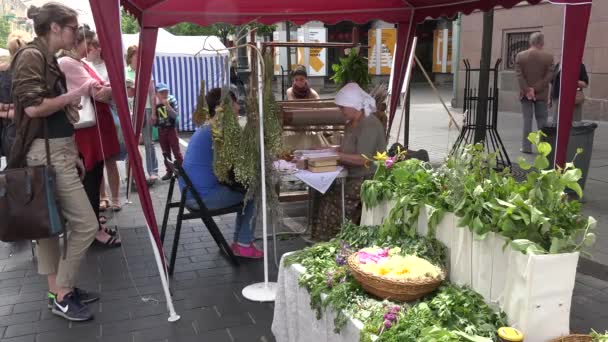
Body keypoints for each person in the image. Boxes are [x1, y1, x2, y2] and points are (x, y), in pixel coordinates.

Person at [9, 3, 100, 322]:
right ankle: (63, 292)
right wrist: (75, 94)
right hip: (45, 152)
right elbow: (35, 109)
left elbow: (51, 116)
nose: (78, 34)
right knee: (87, 225)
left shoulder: (44, 56)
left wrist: (72, 151)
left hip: (53, 149)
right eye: (74, 28)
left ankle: (57, 291)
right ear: (56, 28)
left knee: (49, 227)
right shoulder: (33, 56)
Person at [58, 24, 122, 248]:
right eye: (91, 43)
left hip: (94, 128)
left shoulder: (77, 63)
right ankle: (94, 230)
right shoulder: (68, 63)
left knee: (94, 176)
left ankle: (94, 224)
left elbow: (99, 90)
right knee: (91, 178)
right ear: (78, 41)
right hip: (88, 130)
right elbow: (98, 93)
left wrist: (108, 87)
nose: (93, 47)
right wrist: (116, 85)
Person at [180, 88, 262, 258]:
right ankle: (243, 244)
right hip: (202, 198)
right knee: (254, 193)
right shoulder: (218, 130)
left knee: (246, 189)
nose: (238, 108)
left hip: (190, 194)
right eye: (235, 104)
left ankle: (240, 242)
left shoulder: (209, 126)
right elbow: (237, 164)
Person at [310, 82, 387, 241]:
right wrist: (327, 149)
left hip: (368, 179)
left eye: (342, 107)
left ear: (354, 106)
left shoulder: (369, 125)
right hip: (352, 176)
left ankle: (334, 241)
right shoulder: (352, 124)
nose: (341, 111)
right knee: (320, 192)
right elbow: (347, 148)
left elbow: (363, 159)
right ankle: (325, 239)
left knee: (331, 200)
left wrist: (337, 156)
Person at [84, 35, 123, 212]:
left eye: (92, 46)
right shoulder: (84, 65)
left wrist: (104, 91)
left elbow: (113, 93)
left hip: (107, 115)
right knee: (96, 160)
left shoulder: (109, 66)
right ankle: (103, 197)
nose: (89, 49)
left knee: (109, 159)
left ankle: (115, 197)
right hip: (90, 117)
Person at [515, 32, 554, 154]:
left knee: (527, 119)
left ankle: (526, 147)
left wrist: (528, 90)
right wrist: (535, 89)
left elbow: (519, 76)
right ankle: (543, 148)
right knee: (542, 120)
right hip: (541, 94)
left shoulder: (520, 56)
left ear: (530, 42)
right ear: (541, 43)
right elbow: (549, 77)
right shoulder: (549, 57)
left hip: (525, 94)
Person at [125, 45, 159, 184]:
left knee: (148, 142)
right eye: (136, 54)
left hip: (146, 109)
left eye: (140, 54)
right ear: (130, 56)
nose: (138, 57)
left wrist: (154, 113)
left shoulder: (145, 71)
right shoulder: (125, 72)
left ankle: (153, 171)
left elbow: (152, 94)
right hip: (131, 110)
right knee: (131, 143)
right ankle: (132, 173)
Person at [0, 30, 31, 159]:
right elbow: (31, 109)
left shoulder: (3, 72)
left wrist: (4, 109)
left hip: (9, 134)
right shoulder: (33, 72)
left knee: (14, 175)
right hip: (31, 133)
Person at [154, 82, 183, 180]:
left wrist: (168, 107)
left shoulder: (172, 100)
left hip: (171, 129)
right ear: (156, 94)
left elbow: (176, 116)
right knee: (165, 152)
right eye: (161, 92)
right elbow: (154, 120)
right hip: (161, 130)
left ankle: (182, 171)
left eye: (166, 92)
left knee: (176, 151)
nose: (164, 94)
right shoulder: (154, 103)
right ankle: (169, 171)